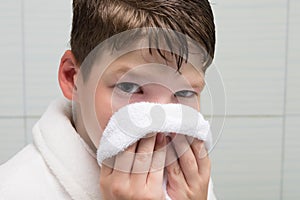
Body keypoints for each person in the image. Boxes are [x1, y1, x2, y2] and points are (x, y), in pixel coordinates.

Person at [0, 0, 216, 199]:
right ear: (72, 77)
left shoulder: (187, 185)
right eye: (130, 87)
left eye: (184, 93)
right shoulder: (14, 190)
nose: (160, 123)